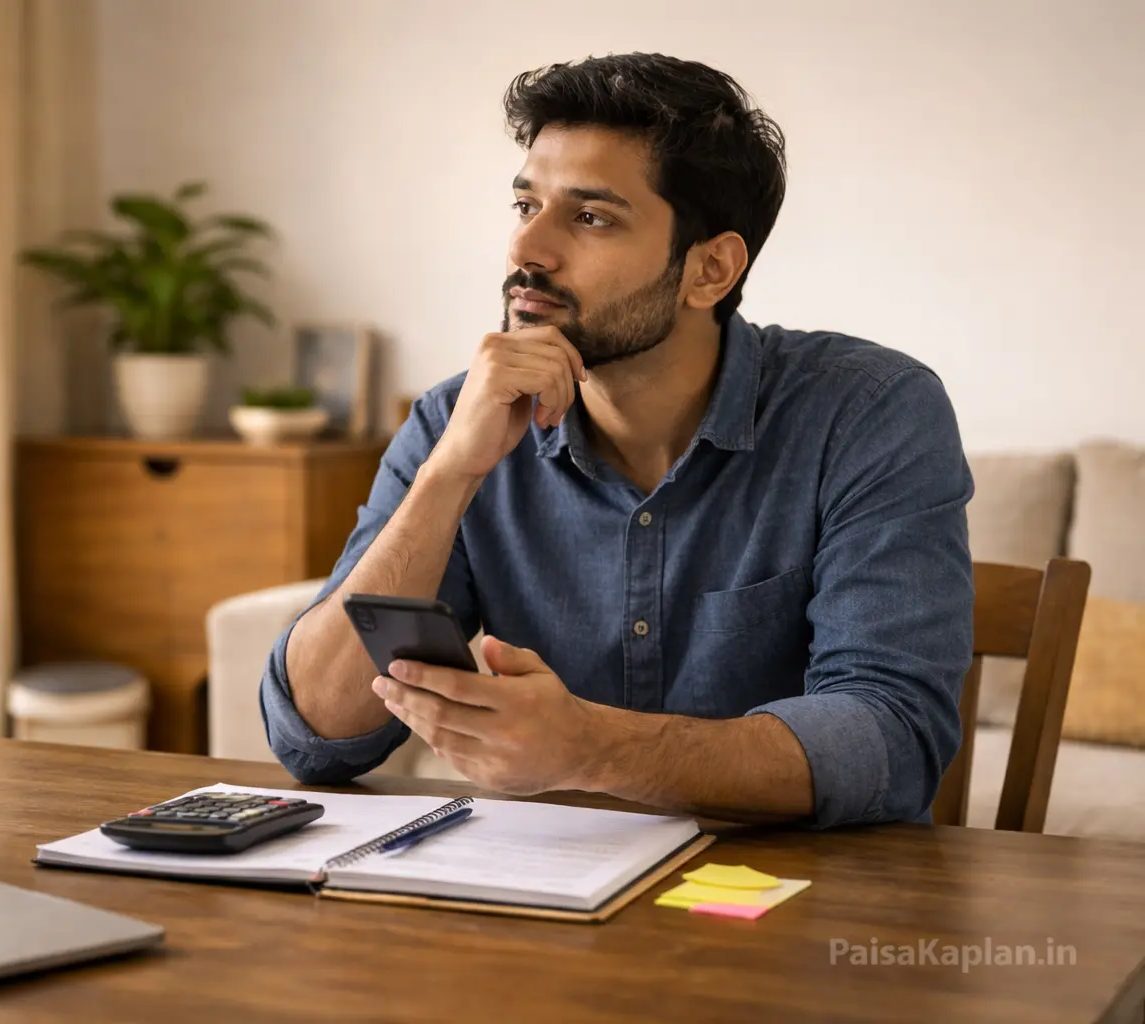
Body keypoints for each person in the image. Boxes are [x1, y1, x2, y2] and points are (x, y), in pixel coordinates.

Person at [258, 53, 974, 828]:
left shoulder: (868, 413)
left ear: (710, 270)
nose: (527, 250)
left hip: (797, 908)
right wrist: (447, 475)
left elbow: (893, 740)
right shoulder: (456, 422)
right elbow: (317, 741)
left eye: (591, 217)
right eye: (525, 204)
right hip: (543, 899)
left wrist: (592, 748)